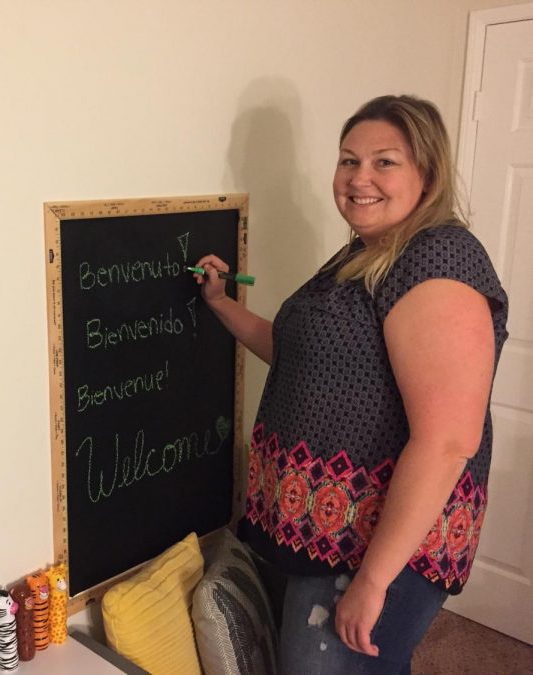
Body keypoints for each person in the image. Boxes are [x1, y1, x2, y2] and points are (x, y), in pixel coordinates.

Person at [195, 95, 508, 674]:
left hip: (377, 546)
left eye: (384, 161)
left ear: (428, 174)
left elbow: (448, 440)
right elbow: (301, 357)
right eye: (348, 160)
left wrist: (373, 581)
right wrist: (220, 305)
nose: (359, 178)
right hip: (329, 534)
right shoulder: (366, 253)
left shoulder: (437, 261)